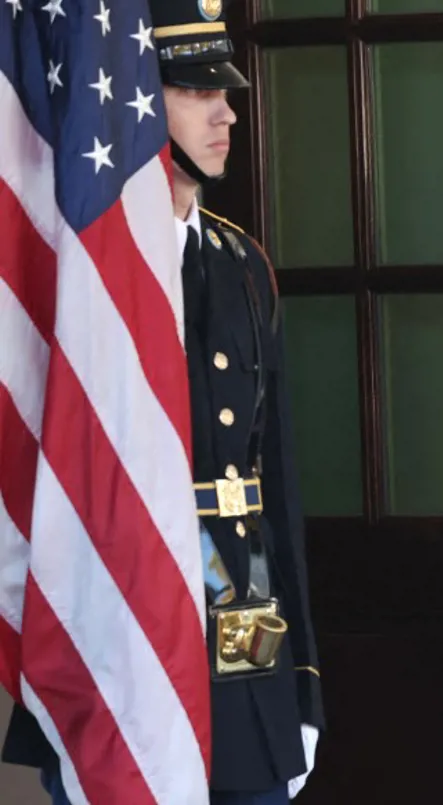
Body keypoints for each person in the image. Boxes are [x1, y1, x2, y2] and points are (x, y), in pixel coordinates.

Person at [1, 1, 324, 802]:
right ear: (138, 103)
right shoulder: (85, 283)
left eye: (226, 92)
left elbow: (275, 487)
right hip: (117, 645)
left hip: (244, 647)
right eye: (195, 91)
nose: (227, 113)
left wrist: (302, 681)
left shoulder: (243, 265)